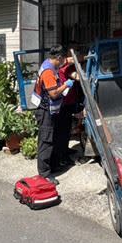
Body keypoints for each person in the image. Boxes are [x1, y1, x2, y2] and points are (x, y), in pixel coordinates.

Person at [32, 45, 74, 185]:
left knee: (55, 138)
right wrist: (66, 85)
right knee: (46, 141)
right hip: (45, 111)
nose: (63, 63)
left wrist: (82, 57)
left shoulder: (50, 63)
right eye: (62, 60)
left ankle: (54, 166)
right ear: (58, 58)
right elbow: (54, 94)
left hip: (51, 110)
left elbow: (68, 60)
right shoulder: (48, 71)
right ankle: (44, 174)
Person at [54, 48, 83, 170]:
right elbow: (76, 76)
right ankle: (62, 157)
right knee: (62, 131)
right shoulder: (63, 65)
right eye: (73, 54)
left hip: (70, 102)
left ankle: (65, 151)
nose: (74, 56)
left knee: (66, 130)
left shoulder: (67, 65)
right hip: (63, 103)